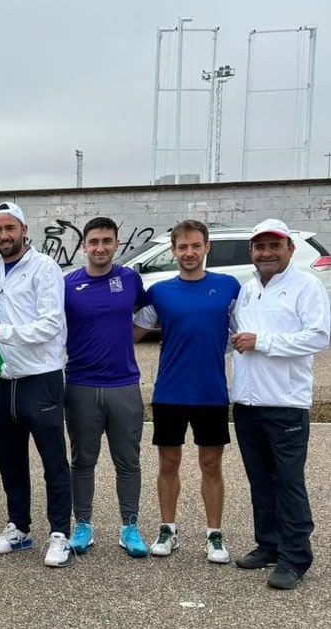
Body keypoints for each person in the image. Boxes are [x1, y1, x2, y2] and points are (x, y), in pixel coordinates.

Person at [230, 219, 330, 589]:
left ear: (289, 248)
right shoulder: (247, 289)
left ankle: (295, 557)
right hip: (247, 401)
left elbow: (319, 337)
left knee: (288, 482)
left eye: (274, 246)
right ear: (252, 252)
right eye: (260, 247)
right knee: (260, 480)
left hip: (285, 402)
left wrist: (263, 342)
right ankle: (268, 544)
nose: (267, 253)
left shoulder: (306, 286)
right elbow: (236, 336)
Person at [133, 219, 240, 564]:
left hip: (211, 392)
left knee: (211, 465)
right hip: (170, 391)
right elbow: (131, 333)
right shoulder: (160, 292)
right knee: (168, 463)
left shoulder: (228, 287)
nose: (189, 253)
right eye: (182, 247)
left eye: (196, 246)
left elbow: (241, 334)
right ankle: (168, 529)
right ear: (174, 251)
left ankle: (215, 535)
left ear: (207, 247)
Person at [0, 201, 74, 568]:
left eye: (10, 229)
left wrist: (3, 332)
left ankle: (60, 534)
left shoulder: (45, 267)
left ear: (23, 230)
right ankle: (18, 527)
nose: (4, 236)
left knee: (53, 461)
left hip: (41, 378)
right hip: (4, 380)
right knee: (10, 460)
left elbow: (50, 324)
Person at [62, 217, 150, 558]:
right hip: (81, 384)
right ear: (84, 246)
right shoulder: (68, 284)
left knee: (128, 461)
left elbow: (149, 312)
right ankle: (83, 523)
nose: (100, 248)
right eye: (94, 241)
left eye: (107, 241)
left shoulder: (129, 280)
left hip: (124, 385)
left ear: (116, 244)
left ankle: (130, 526)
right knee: (83, 460)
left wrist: (132, 338)